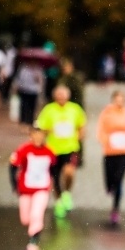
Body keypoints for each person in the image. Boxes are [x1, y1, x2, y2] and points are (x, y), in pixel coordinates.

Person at [36, 85, 87, 218]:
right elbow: (41, 128)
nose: (61, 97)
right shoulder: (48, 110)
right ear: (54, 96)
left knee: (69, 172)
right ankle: (58, 201)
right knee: (55, 177)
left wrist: (80, 136)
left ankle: (67, 193)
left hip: (70, 147)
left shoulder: (75, 109)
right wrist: (49, 131)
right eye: (58, 94)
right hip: (53, 149)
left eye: (63, 95)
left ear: (68, 96)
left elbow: (82, 126)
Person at [9, 123, 56, 250]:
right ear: (30, 135)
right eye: (35, 134)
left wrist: (55, 188)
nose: (38, 137)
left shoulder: (49, 152)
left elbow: (54, 170)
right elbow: (12, 166)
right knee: (25, 218)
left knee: (37, 214)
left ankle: (33, 244)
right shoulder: (24, 150)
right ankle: (33, 233)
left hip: (42, 189)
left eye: (41, 134)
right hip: (26, 189)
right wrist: (14, 185)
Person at [96, 90, 125, 225]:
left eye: (122, 100)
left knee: (119, 179)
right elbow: (101, 128)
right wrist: (103, 140)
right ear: (113, 100)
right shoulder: (107, 112)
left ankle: (115, 209)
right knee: (109, 179)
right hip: (109, 151)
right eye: (117, 99)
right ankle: (110, 187)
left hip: (124, 152)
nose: (119, 102)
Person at [14, 60, 44, 129]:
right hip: (24, 89)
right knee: (23, 106)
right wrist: (17, 86)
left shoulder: (38, 69)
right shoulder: (24, 68)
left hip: (33, 90)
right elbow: (19, 78)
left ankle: (30, 121)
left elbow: (41, 80)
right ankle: (23, 121)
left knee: (32, 106)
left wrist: (37, 78)